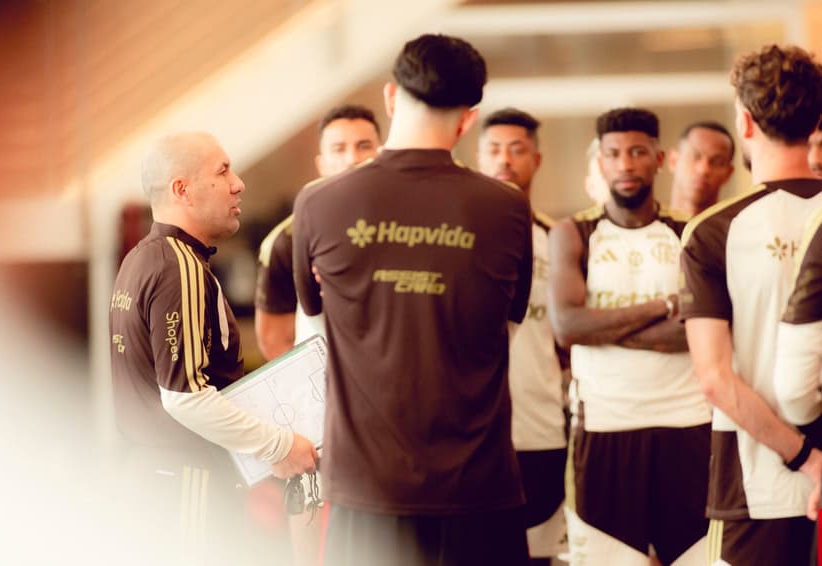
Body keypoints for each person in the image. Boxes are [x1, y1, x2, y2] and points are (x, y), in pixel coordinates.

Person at [293, 33, 533, 566]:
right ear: (469, 118)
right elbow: (510, 321)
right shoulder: (508, 210)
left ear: (390, 98)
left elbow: (314, 313)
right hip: (480, 489)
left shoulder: (318, 204)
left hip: (366, 487)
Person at [109, 131, 318, 564]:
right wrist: (280, 445)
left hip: (152, 478)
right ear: (181, 189)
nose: (238, 183)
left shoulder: (142, 258)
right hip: (183, 481)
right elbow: (186, 399)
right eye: (223, 171)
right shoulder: (177, 266)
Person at [547, 108, 711, 566]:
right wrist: (661, 308)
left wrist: (602, 326)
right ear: (599, 162)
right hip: (606, 430)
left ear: (659, 159)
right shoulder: (573, 233)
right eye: (613, 154)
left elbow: (699, 330)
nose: (625, 164)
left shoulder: (689, 233)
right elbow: (566, 327)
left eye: (638, 152)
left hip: (688, 425)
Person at [679, 44, 822, 566]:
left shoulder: (713, 232)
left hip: (758, 487)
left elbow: (715, 379)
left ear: (743, 122)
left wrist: (808, 460)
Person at [477, 107, 567, 566]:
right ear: (478, 157)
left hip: (542, 428)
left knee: (538, 557)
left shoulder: (559, 239)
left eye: (516, 150)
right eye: (494, 149)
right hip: (472, 435)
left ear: (537, 158)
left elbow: (570, 339)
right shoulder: (461, 236)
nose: (505, 160)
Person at [255, 105, 381, 361]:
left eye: (364, 146)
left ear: (382, 156)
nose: (352, 159)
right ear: (321, 165)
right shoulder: (287, 239)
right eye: (339, 149)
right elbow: (275, 341)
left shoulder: (405, 224)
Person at [667, 121, 735, 216]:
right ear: (673, 161)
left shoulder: (737, 229)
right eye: (695, 156)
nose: (703, 170)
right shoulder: (647, 228)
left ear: (728, 174)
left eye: (717, 162)